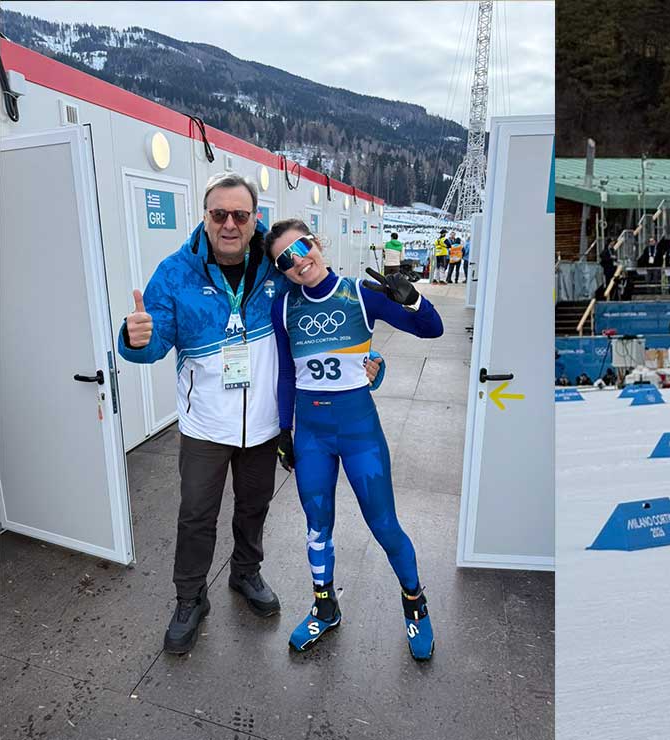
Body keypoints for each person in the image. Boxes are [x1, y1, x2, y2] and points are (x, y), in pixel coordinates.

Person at [118, 172, 383, 655]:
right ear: (205, 216)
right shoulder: (175, 273)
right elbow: (153, 342)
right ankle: (190, 597)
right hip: (205, 425)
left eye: (240, 215)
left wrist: (366, 356)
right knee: (196, 515)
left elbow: (319, 302)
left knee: (253, 506)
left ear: (254, 219)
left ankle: (245, 573)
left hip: (262, 425)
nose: (229, 224)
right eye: (219, 214)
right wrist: (134, 339)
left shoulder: (274, 266)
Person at [265, 220, 444, 660]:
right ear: (281, 271)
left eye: (301, 247)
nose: (298, 261)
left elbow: (432, 330)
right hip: (311, 434)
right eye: (284, 259)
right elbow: (288, 373)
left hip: (359, 429)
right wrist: (282, 430)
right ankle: (325, 608)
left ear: (317, 242)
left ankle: (415, 606)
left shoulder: (360, 295)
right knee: (316, 526)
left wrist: (415, 300)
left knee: (384, 525)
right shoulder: (284, 307)